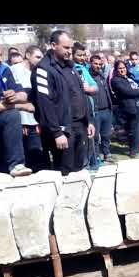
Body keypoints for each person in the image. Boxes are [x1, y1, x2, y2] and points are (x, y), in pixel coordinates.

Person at [30, 30, 95, 176]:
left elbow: (80, 94)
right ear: (53, 45)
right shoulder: (43, 69)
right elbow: (44, 103)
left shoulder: (70, 66)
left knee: (79, 169)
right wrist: (57, 132)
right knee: (64, 171)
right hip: (63, 130)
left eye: (71, 48)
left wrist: (88, 120)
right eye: (66, 47)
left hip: (80, 126)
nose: (69, 51)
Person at [10, 45, 49, 172]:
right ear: (27, 55)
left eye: (42, 58)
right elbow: (13, 97)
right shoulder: (14, 70)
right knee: (26, 157)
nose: (40, 60)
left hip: (36, 121)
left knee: (39, 155)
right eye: (37, 57)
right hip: (21, 122)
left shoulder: (38, 73)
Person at [0, 50, 33, 177]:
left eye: (0, 55)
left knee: (12, 115)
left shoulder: (4, 70)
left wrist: (15, 96)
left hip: (3, 118)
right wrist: (21, 106)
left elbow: (23, 94)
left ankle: (17, 165)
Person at [110, 60, 139, 158]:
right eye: (120, 68)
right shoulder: (115, 80)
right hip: (130, 108)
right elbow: (127, 91)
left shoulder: (128, 77)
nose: (122, 70)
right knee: (134, 130)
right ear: (116, 70)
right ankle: (134, 151)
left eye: (123, 68)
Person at [72, 42, 98, 169]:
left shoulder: (82, 69)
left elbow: (94, 87)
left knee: (91, 140)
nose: (82, 58)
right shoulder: (72, 69)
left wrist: (88, 89)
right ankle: (84, 167)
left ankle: (91, 164)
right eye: (79, 55)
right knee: (81, 144)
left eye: (84, 55)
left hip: (89, 108)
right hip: (77, 113)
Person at [90, 55, 114, 163]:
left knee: (106, 135)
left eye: (100, 64)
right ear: (90, 63)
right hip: (95, 112)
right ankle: (96, 157)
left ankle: (106, 153)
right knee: (95, 137)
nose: (98, 66)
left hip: (106, 110)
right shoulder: (87, 77)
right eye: (95, 63)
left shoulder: (102, 76)